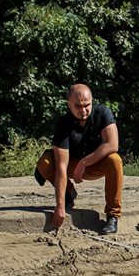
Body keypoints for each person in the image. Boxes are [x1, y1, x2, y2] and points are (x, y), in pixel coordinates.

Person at [35, 83, 123, 233]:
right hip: (72, 165)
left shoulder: (103, 113)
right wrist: (60, 205)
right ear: (69, 105)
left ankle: (113, 215)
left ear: (92, 101)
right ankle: (69, 193)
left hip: (95, 164)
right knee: (45, 163)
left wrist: (84, 162)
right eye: (78, 106)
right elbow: (62, 167)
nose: (83, 110)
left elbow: (112, 144)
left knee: (115, 160)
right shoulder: (63, 123)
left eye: (87, 105)